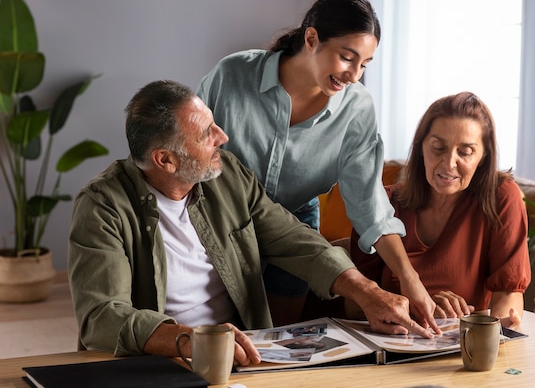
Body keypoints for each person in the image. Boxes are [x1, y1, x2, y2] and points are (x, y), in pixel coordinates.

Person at [67, 80, 434, 366]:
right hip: (162, 361)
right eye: (205, 134)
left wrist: (367, 291)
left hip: (245, 354)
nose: (222, 138)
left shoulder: (228, 176)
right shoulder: (102, 206)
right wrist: (190, 340)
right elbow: (102, 316)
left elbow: (292, 237)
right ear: (165, 160)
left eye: (215, 124)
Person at [196, 0, 438, 331]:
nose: (354, 75)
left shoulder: (356, 109)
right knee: (220, 340)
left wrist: (409, 277)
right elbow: (189, 151)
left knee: (276, 345)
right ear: (312, 38)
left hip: (296, 231)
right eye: (346, 57)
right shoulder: (232, 76)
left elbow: (371, 206)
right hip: (221, 221)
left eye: (364, 64)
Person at [348, 92, 531, 329]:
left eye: (465, 152)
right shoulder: (384, 204)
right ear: (421, 147)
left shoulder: (502, 197)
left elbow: (508, 293)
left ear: (483, 156)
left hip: (462, 348)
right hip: (392, 347)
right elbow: (354, 306)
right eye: (438, 147)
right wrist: (422, 307)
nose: (449, 163)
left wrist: (497, 328)